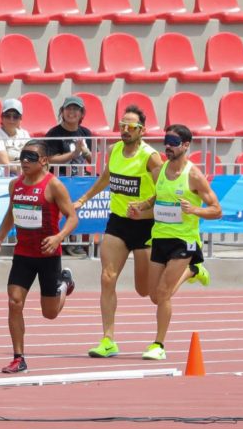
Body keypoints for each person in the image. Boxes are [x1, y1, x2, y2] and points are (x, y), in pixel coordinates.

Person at [74, 105, 164, 358]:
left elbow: (164, 191)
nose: (125, 130)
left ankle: (189, 269)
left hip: (145, 226)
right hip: (118, 223)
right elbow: (105, 178)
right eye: (122, 126)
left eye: (131, 126)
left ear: (142, 130)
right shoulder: (113, 150)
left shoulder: (151, 157)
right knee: (107, 277)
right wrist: (83, 199)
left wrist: (145, 207)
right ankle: (108, 339)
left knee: (147, 291)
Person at [129, 125, 220, 360]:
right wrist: (142, 206)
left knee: (163, 294)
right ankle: (193, 270)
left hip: (184, 241)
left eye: (172, 141)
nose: (167, 146)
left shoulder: (194, 175)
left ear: (186, 145)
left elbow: (216, 210)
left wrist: (195, 209)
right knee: (153, 295)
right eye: (165, 141)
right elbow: (158, 196)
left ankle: (158, 345)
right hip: (160, 237)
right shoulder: (159, 171)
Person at [0, 141, 78, 373]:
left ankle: (64, 283)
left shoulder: (54, 186)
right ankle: (19, 357)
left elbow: (72, 218)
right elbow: (11, 213)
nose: (25, 161)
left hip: (48, 255)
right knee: (14, 301)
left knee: (49, 314)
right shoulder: (14, 185)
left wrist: (58, 237)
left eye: (31, 157)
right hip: (23, 253)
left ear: (44, 161)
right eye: (22, 156)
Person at [45, 95, 94, 256]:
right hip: (60, 178)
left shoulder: (86, 132)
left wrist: (84, 152)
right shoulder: (54, 133)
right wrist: (73, 154)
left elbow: (93, 158)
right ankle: (66, 241)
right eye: (68, 108)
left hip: (81, 177)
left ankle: (80, 241)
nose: (71, 112)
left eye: (75, 109)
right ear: (62, 111)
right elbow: (50, 159)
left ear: (81, 114)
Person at [0, 99, 30, 176]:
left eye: (15, 116)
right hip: (2, 174)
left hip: (24, 172)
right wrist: (27, 172)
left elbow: (31, 156)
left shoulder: (24, 134)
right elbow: (5, 164)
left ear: (20, 118)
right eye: (7, 116)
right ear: (2, 117)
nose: (11, 119)